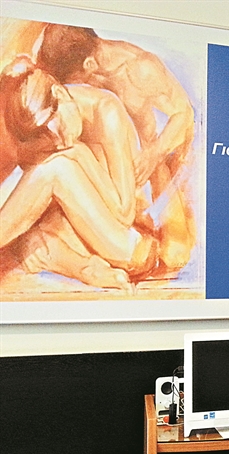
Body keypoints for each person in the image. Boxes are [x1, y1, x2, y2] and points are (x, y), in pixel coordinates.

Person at [36, 23, 196, 273]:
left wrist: (153, 155)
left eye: (74, 80)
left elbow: (184, 114)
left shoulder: (140, 69)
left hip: (144, 168)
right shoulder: (76, 69)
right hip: (102, 169)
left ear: (89, 64)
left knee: (174, 256)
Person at [0, 57, 156, 289]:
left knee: (55, 168)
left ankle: (77, 264)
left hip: (132, 244)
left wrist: (81, 154)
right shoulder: (46, 116)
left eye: (61, 128)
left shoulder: (106, 113)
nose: (61, 142)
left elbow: (124, 213)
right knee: (29, 243)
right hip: (88, 241)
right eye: (51, 137)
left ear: (60, 94)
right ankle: (85, 268)